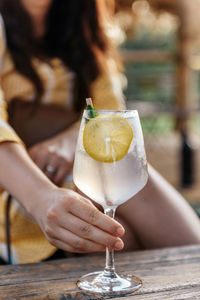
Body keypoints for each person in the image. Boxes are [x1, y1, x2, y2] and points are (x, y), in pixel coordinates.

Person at [0, 0, 200, 264]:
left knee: (121, 210)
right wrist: (40, 198)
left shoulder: (86, 24)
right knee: (119, 224)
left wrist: (70, 140)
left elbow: (113, 113)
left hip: (76, 176)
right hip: (17, 189)